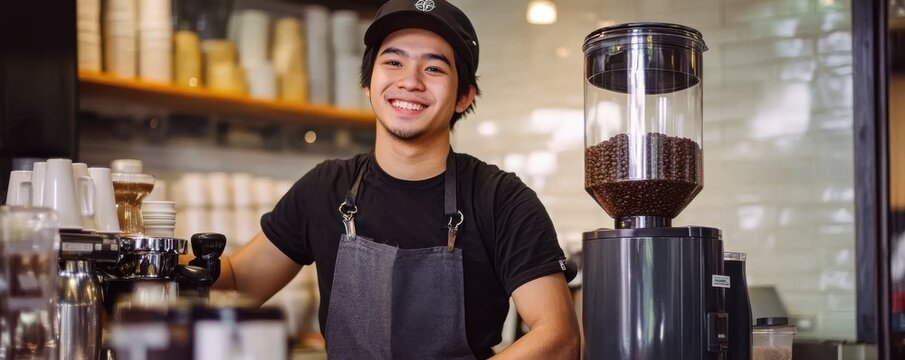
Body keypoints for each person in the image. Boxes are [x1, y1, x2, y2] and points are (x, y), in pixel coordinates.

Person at [214, 0, 580, 358]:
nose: (410, 81)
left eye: (434, 69)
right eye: (393, 62)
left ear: (464, 96)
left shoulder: (500, 199)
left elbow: (558, 337)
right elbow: (238, 281)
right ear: (368, 84)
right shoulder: (324, 188)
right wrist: (163, 253)